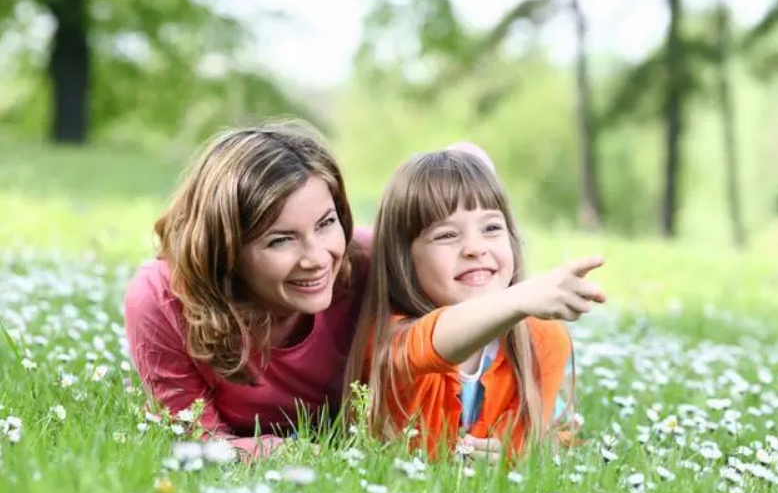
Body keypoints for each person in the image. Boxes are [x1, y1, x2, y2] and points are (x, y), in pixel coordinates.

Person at [124, 120, 373, 460]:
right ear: (225, 248)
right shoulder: (163, 298)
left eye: (326, 223)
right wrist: (284, 452)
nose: (317, 258)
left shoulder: (368, 265)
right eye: (281, 240)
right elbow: (197, 441)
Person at [343, 149, 605, 461]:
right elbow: (433, 342)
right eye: (447, 235)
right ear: (404, 259)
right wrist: (519, 298)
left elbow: (524, 449)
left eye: (492, 228)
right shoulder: (390, 339)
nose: (474, 248)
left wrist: (511, 459)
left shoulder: (542, 339)